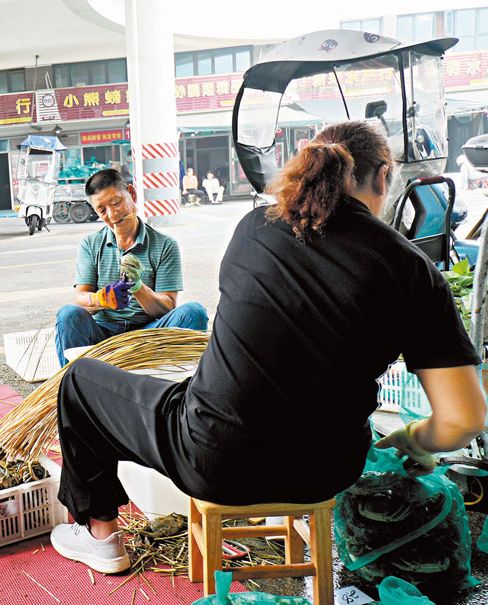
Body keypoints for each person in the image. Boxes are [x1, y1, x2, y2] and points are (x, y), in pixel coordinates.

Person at [49, 121, 487, 574]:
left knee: (79, 382)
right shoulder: (413, 269)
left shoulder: (257, 225)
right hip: (327, 471)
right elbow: (464, 419)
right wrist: (412, 439)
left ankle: (100, 537)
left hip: (214, 459)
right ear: (383, 178)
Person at [54, 169, 208, 366]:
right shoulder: (90, 244)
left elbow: (167, 308)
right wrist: (100, 298)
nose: (112, 214)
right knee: (68, 314)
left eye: (116, 202)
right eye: (102, 210)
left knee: (194, 312)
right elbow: (80, 298)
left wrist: (138, 288)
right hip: (104, 338)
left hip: (149, 334)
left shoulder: (165, 245)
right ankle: (73, 388)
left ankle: (180, 390)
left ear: (132, 194)